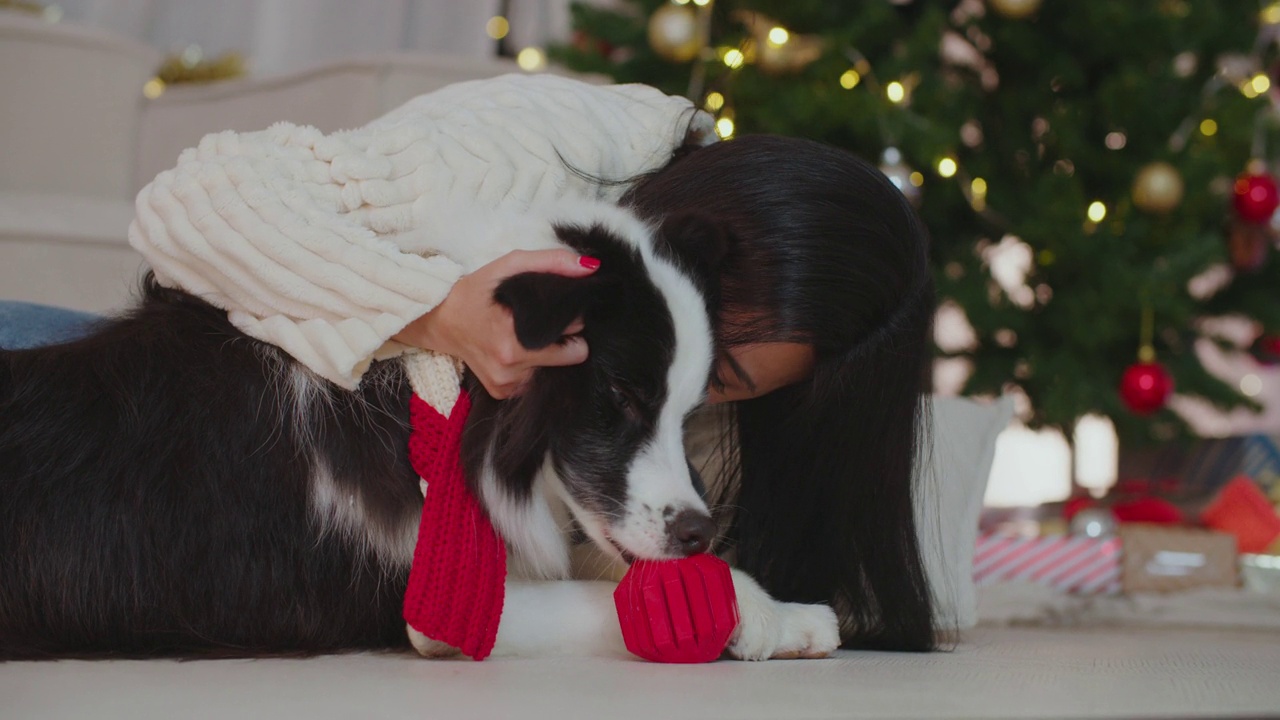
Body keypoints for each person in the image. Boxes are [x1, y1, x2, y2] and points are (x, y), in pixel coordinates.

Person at [3, 74, 938, 652]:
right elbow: (189, 206)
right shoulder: (543, 147)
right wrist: (438, 312)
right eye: (715, 374)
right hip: (127, 359)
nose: (697, 415)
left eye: (722, 395)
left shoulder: (674, 394)